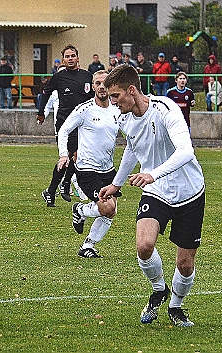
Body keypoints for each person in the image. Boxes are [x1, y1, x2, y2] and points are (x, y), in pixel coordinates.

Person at [100, 64, 205, 327]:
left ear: (131, 90)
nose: (112, 102)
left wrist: (152, 174)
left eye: (115, 96)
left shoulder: (166, 109)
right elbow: (133, 148)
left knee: (185, 265)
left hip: (189, 191)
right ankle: (159, 289)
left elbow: (186, 152)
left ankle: (176, 307)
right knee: (144, 246)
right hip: (156, 192)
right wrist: (117, 184)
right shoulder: (123, 118)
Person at [57, 70, 120, 258]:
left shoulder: (117, 109)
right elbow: (64, 130)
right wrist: (63, 155)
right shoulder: (84, 109)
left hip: (108, 169)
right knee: (107, 207)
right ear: (92, 86)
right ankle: (81, 210)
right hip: (87, 169)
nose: (101, 87)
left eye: (105, 83)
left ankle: (88, 245)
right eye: (98, 83)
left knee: (111, 210)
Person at [37, 44, 94, 207]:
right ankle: (64, 184)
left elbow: (94, 97)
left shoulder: (86, 76)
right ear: (63, 59)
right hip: (65, 123)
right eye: (67, 56)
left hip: (84, 123)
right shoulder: (59, 77)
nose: (70, 59)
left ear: (78, 58)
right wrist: (41, 112)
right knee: (72, 156)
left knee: (77, 158)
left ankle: (53, 189)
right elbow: (45, 93)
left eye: (72, 56)